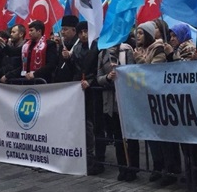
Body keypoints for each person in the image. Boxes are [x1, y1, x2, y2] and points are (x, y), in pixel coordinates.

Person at [134, 21, 181, 186]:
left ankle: (171, 169)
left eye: (140, 33)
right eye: (136, 33)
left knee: (164, 136)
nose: (137, 36)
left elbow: (154, 72)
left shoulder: (158, 48)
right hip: (146, 99)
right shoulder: (141, 50)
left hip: (160, 98)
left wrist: (139, 60)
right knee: (151, 135)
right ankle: (158, 166)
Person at [169, 23, 197, 189]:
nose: (172, 39)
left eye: (174, 35)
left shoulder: (187, 48)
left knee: (195, 147)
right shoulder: (180, 47)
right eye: (171, 36)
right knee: (187, 145)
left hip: (191, 102)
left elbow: (181, 71)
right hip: (183, 101)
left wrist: (171, 55)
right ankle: (192, 175)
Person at [97, 41, 139, 182]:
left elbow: (135, 73)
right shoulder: (102, 54)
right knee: (118, 138)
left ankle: (133, 168)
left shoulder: (127, 51)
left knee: (130, 137)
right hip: (111, 103)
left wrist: (121, 72)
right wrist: (108, 78)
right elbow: (99, 78)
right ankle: (122, 167)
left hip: (126, 100)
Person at [70, 21, 103, 175]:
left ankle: (97, 159)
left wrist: (90, 82)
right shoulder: (76, 50)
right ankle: (86, 156)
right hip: (80, 90)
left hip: (94, 90)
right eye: (80, 32)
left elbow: (99, 69)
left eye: (86, 31)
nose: (83, 35)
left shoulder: (97, 46)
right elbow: (75, 69)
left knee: (94, 126)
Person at [54, 15, 79, 83]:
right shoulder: (62, 46)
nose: (62, 32)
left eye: (65, 29)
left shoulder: (79, 46)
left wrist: (69, 57)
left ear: (74, 30)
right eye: (62, 29)